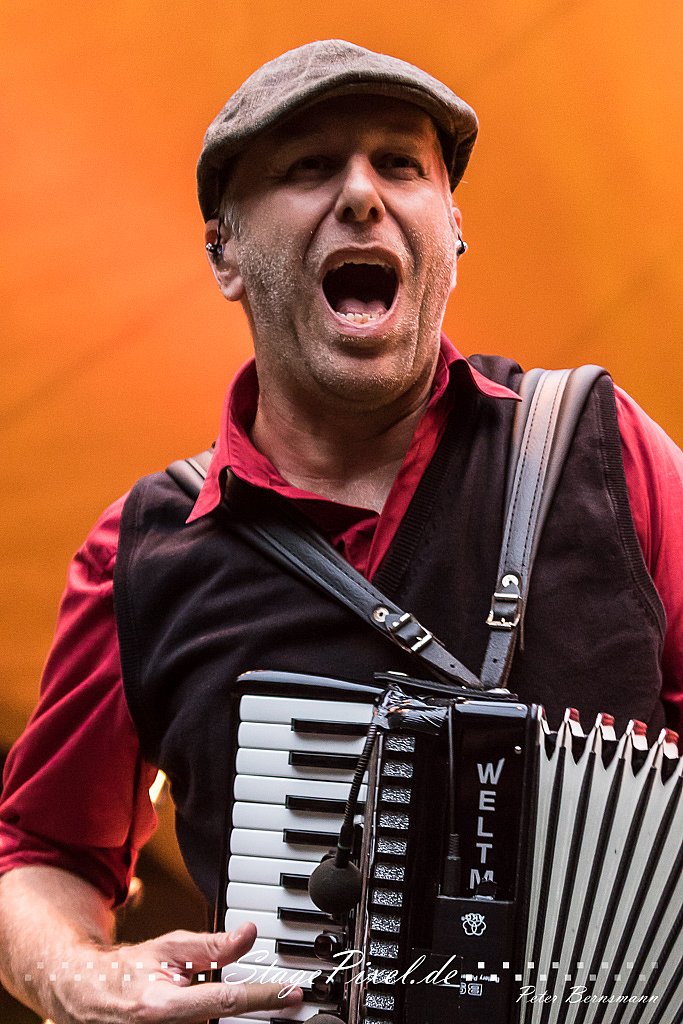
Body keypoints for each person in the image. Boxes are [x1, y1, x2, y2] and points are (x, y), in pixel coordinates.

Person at [0, 38, 681, 1024]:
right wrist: (81, 976)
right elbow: (39, 853)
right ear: (224, 254)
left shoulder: (604, 450)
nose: (361, 195)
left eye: (399, 164)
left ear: (452, 231)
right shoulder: (141, 556)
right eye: (308, 167)